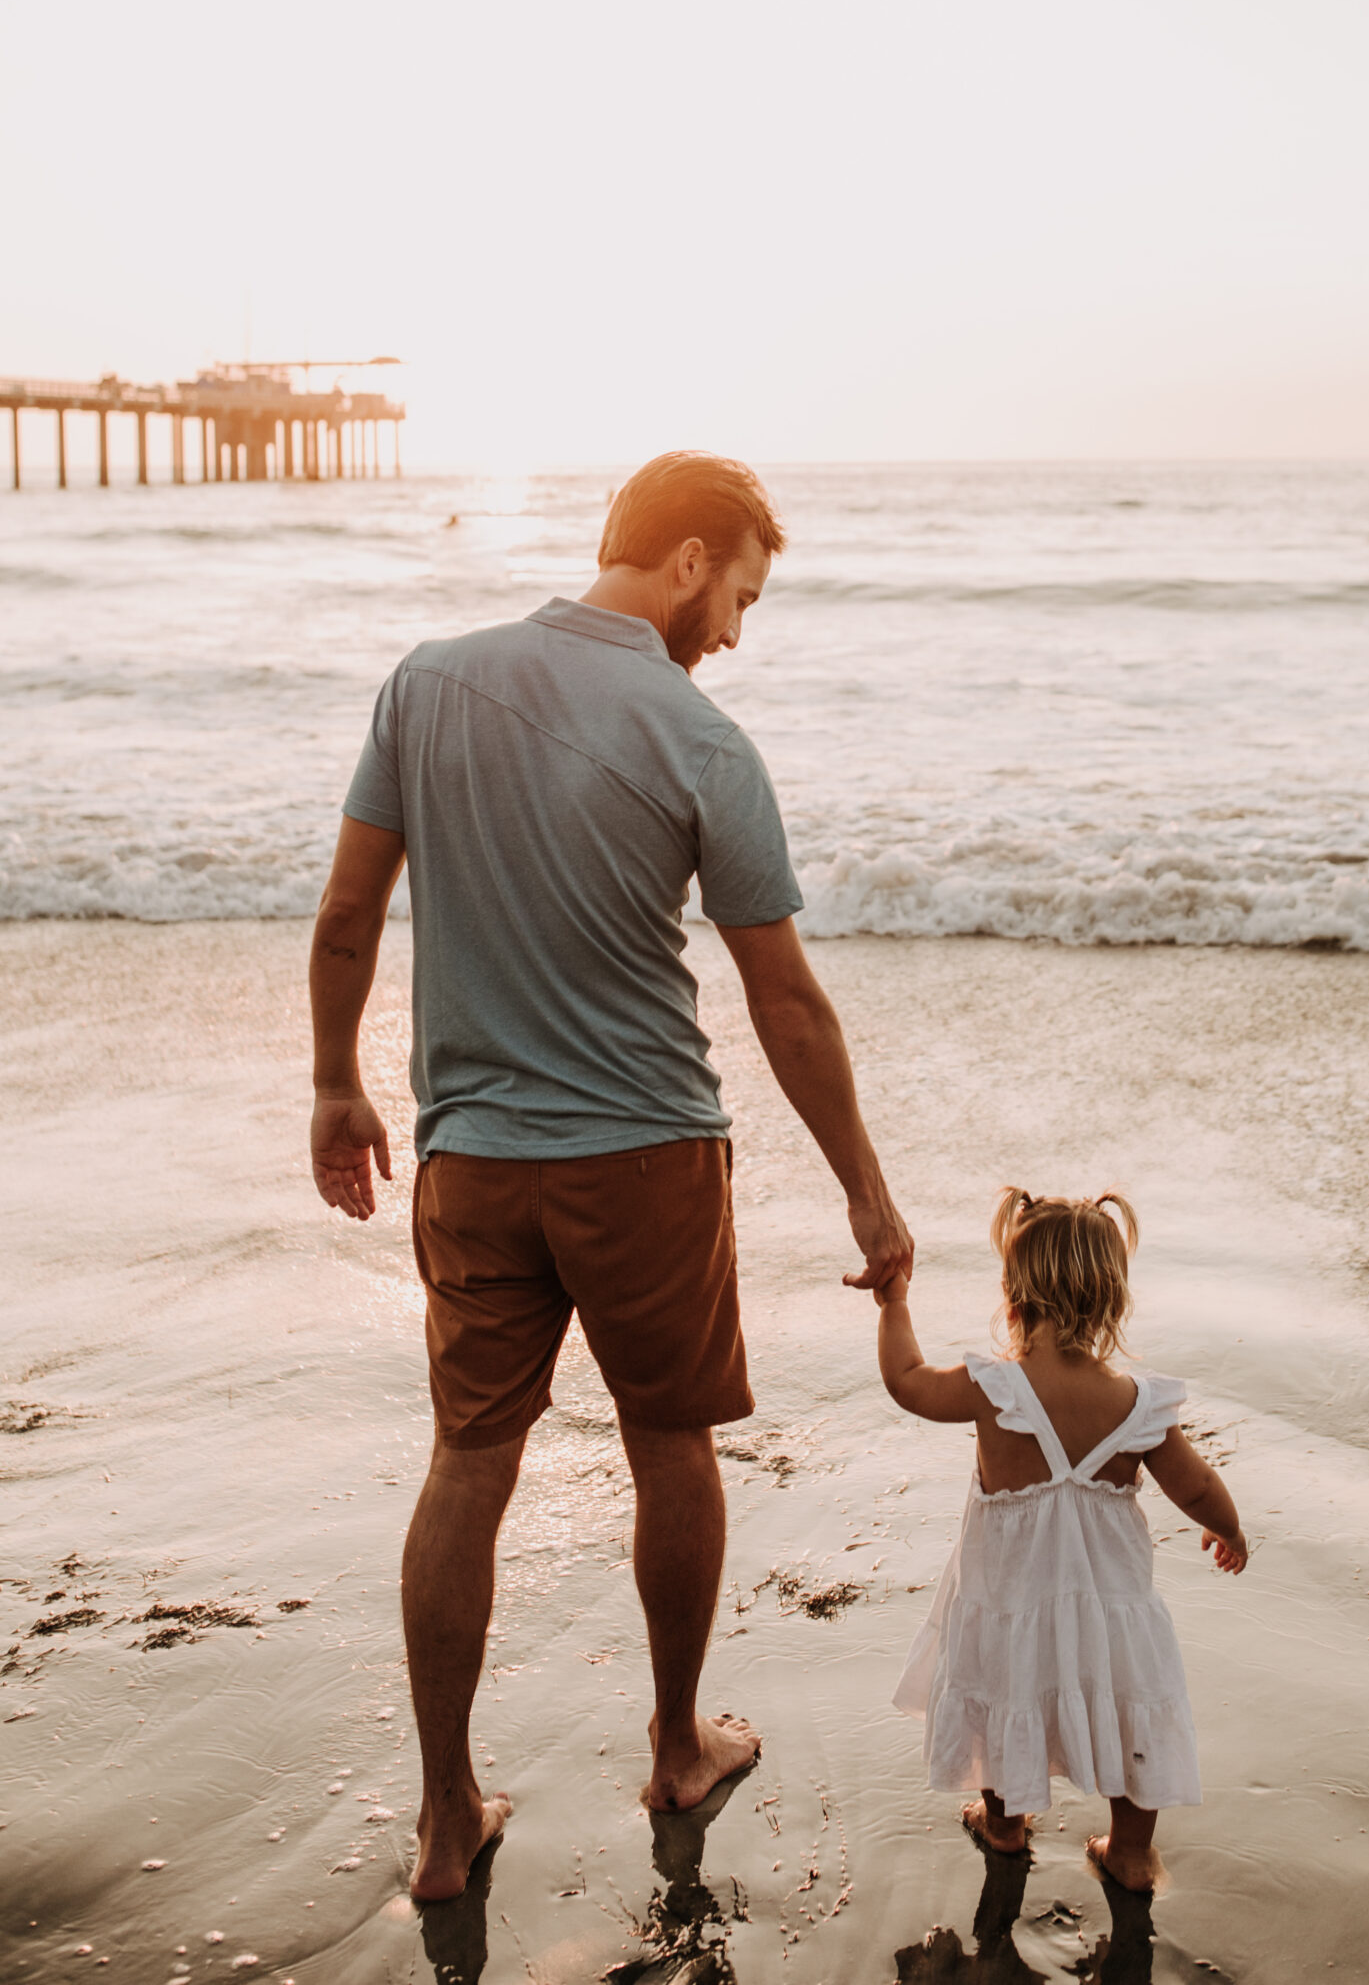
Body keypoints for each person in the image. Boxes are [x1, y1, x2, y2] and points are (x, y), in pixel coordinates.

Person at [306, 450, 913, 1901]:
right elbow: (787, 1005)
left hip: (471, 1159)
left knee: (466, 1465)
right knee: (671, 1442)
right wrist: (867, 1196)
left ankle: (447, 1820)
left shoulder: (427, 683)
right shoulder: (699, 742)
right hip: (643, 1155)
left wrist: (335, 1083)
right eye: (743, 596)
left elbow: (345, 921)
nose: (737, 634)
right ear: (691, 557)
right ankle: (672, 1745)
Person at [877, 1187, 1245, 1893]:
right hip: (1110, 1615)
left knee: (1002, 1697)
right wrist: (1227, 1530)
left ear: (1014, 1294)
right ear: (1111, 1299)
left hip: (1009, 1608)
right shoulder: (1138, 1406)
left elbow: (907, 1382)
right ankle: (1131, 1854)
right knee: (1131, 1710)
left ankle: (1005, 1826)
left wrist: (893, 1303)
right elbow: (1195, 1485)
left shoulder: (995, 1389)